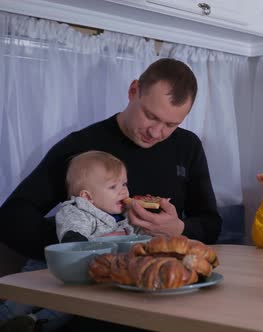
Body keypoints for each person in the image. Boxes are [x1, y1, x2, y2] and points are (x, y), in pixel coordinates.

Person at [0, 58, 222, 331]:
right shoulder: (82, 146)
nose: (156, 132)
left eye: (170, 124)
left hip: (160, 292)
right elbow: (12, 218)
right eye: (151, 116)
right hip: (98, 296)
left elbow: (212, 223)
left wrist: (179, 228)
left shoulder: (188, 146)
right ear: (133, 91)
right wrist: (85, 244)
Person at [0, 151, 134, 332]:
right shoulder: (75, 211)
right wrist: (106, 240)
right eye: (113, 187)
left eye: (124, 184)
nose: (123, 191)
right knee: (21, 301)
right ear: (87, 197)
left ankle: (35, 323)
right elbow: (74, 241)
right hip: (47, 268)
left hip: (83, 276)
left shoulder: (122, 217)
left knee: (67, 308)